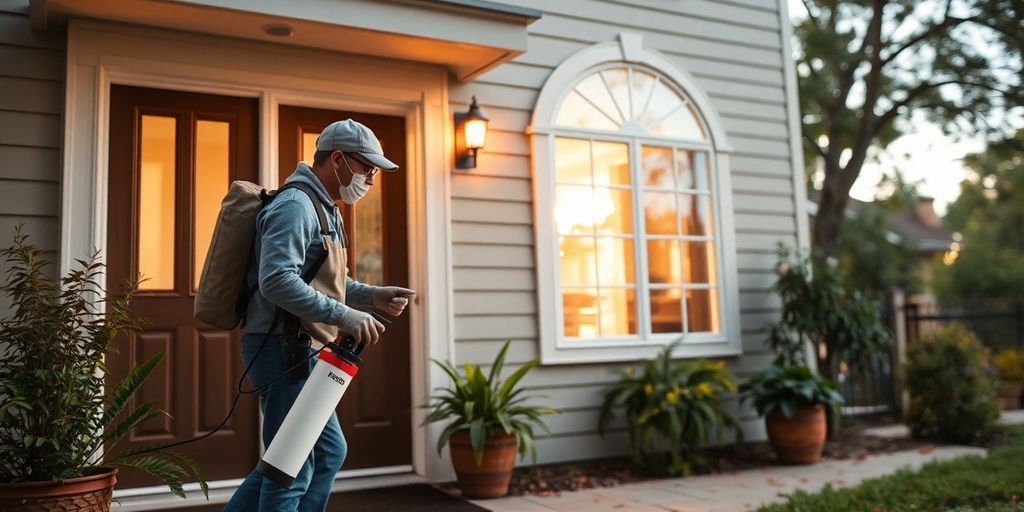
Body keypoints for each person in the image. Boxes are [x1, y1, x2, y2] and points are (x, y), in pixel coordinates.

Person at [224, 119, 415, 512]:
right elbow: (276, 280)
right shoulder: (296, 206)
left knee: (320, 455)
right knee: (291, 468)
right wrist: (345, 316)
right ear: (339, 160)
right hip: (282, 350)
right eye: (368, 168)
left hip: (303, 348)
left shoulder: (325, 209)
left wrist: (373, 295)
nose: (371, 179)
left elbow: (332, 282)